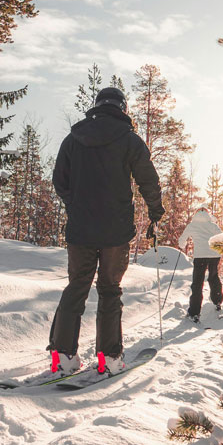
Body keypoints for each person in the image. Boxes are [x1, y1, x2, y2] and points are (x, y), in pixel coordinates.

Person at [49, 86, 164, 375]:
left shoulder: (73, 139)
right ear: (122, 108)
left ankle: (62, 357)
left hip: (80, 230)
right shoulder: (129, 140)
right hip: (115, 231)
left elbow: (59, 180)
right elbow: (148, 179)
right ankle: (109, 359)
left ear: (97, 106)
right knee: (110, 290)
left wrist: (75, 204)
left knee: (77, 286)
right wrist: (155, 212)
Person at [178, 205, 223, 321]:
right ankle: (217, 301)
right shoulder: (213, 225)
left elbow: (182, 240)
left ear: (196, 213)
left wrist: (182, 245)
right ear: (208, 214)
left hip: (200, 256)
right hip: (214, 255)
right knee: (213, 277)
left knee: (197, 283)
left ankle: (194, 312)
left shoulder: (192, 225)